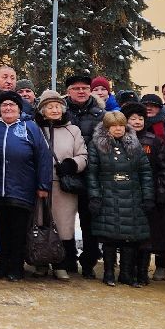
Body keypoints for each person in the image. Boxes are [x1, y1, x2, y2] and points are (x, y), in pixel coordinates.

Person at [0, 90, 52, 281]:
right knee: (1, 230)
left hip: (22, 189)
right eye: (4, 105)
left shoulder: (30, 127)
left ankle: (16, 266)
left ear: (19, 109)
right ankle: (1, 264)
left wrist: (43, 185)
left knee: (18, 231)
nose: (8, 108)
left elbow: (43, 157)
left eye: (12, 105)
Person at [86, 112, 154, 286]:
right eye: (114, 126)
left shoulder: (135, 145)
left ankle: (126, 273)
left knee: (129, 237)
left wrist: (147, 196)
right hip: (108, 194)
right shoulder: (96, 145)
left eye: (121, 125)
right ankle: (108, 273)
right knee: (110, 237)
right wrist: (94, 196)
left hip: (132, 195)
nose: (118, 129)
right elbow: (92, 173)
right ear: (107, 128)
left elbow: (145, 172)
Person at [34, 89, 86, 282]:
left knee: (63, 227)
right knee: (40, 224)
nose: (55, 110)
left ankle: (60, 264)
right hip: (40, 185)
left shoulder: (73, 130)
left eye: (58, 106)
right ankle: (40, 262)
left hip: (63, 186)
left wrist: (72, 164)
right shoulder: (35, 129)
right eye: (50, 107)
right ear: (42, 110)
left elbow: (83, 155)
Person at [63, 73, 105, 276]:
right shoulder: (60, 112)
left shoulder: (101, 115)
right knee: (65, 220)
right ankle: (68, 258)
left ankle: (88, 262)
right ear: (68, 91)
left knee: (90, 221)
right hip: (66, 172)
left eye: (84, 88)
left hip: (92, 175)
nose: (81, 91)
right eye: (76, 88)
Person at [126, 104, 165, 284]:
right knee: (128, 235)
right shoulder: (119, 139)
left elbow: (163, 169)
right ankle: (128, 271)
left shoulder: (153, 141)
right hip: (126, 195)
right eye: (133, 118)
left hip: (148, 195)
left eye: (140, 118)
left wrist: (160, 193)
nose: (137, 122)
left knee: (146, 235)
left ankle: (142, 272)